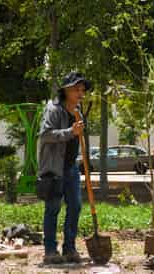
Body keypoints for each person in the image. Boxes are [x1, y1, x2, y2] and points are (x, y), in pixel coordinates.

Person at [38, 72, 91, 264]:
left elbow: (79, 139)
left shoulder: (78, 110)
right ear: (66, 90)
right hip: (53, 168)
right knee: (52, 208)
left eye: (82, 89)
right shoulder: (53, 109)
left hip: (70, 167)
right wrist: (70, 132)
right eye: (76, 89)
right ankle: (50, 250)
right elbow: (45, 135)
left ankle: (69, 248)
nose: (80, 92)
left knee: (75, 206)